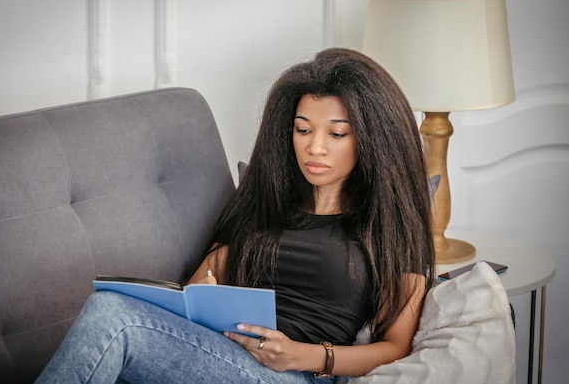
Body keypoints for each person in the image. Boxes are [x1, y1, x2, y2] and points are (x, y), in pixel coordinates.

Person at [35, 48, 435, 384]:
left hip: (294, 375)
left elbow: (395, 348)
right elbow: (198, 289)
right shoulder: (264, 206)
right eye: (302, 130)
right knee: (113, 305)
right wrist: (202, 293)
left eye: (336, 133)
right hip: (221, 355)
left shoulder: (390, 226)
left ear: (370, 139)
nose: (315, 148)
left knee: (113, 317)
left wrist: (306, 357)